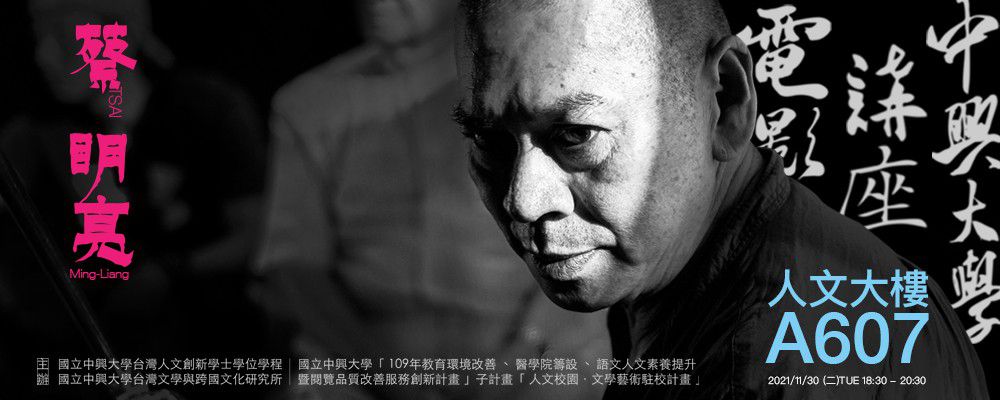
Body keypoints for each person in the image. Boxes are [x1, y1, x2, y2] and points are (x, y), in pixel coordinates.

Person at [452, 0, 990, 398]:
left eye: (576, 135)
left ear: (726, 103)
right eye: (488, 141)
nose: (523, 201)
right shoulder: (685, 277)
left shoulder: (769, 361)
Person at [253, 0, 609, 398]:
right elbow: (294, 266)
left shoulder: (538, 81)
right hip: (361, 368)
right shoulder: (308, 104)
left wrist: (528, 350)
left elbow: (593, 230)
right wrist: (389, 379)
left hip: (534, 360)